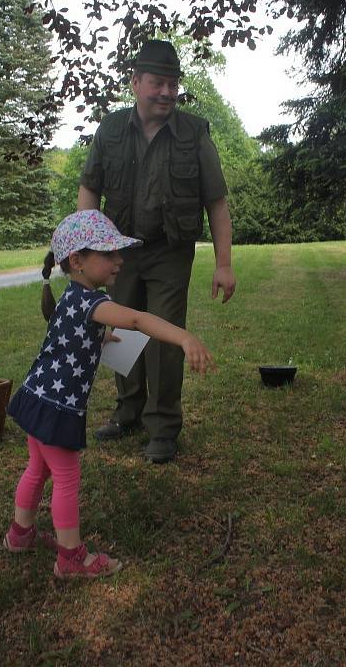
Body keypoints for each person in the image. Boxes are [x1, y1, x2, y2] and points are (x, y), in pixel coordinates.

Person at [3, 209, 214, 580]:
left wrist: (100, 337)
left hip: (36, 397)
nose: (120, 260)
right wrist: (183, 337)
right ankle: (71, 558)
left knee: (37, 468)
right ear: (77, 261)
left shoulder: (71, 296)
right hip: (58, 408)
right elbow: (136, 319)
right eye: (109, 254)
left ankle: (20, 535)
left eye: (119, 252)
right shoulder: (94, 303)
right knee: (66, 477)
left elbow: (71, 335)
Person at [78, 38, 235, 463]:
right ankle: (128, 410)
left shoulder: (194, 133)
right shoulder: (110, 130)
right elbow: (89, 189)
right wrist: (87, 248)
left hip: (170, 251)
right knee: (119, 332)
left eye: (172, 84)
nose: (167, 92)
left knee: (165, 336)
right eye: (157, 83)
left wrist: (224, 263)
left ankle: (163, 426)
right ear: (135, 83)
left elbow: (216, 200)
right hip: (118, 252)